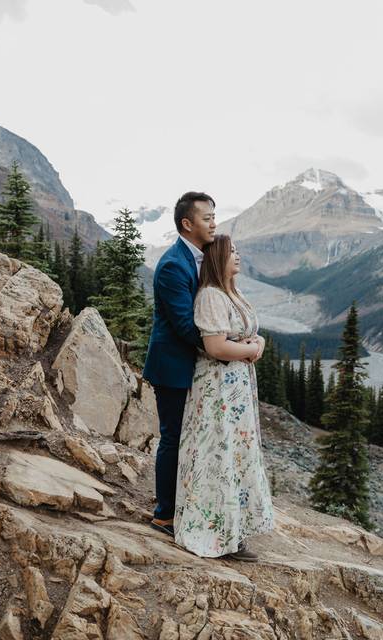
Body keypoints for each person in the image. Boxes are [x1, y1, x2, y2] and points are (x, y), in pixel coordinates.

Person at [172, 234, 275, 561]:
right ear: (218, 259)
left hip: (236, 388)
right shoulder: (212, 296)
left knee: (234, 455)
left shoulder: (232, 292)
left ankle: (232, 529)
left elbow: (246, 333)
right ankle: (214, 534)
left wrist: (255, 345)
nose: (238, 256)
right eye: (232, 252)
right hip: (218, 389)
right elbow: (215, 346)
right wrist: (251, 349)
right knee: (218, 453)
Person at [144, 192, 217, 538]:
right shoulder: (174, 264)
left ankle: (182, 505)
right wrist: (226, 348)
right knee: (172, 437)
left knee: (188, 437)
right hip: (172, 366)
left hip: (188, 365)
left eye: (214, 216)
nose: (213, 223)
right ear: (188, 224)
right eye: (207, 218)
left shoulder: (197, 259)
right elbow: (185, 325)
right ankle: (164, 515)